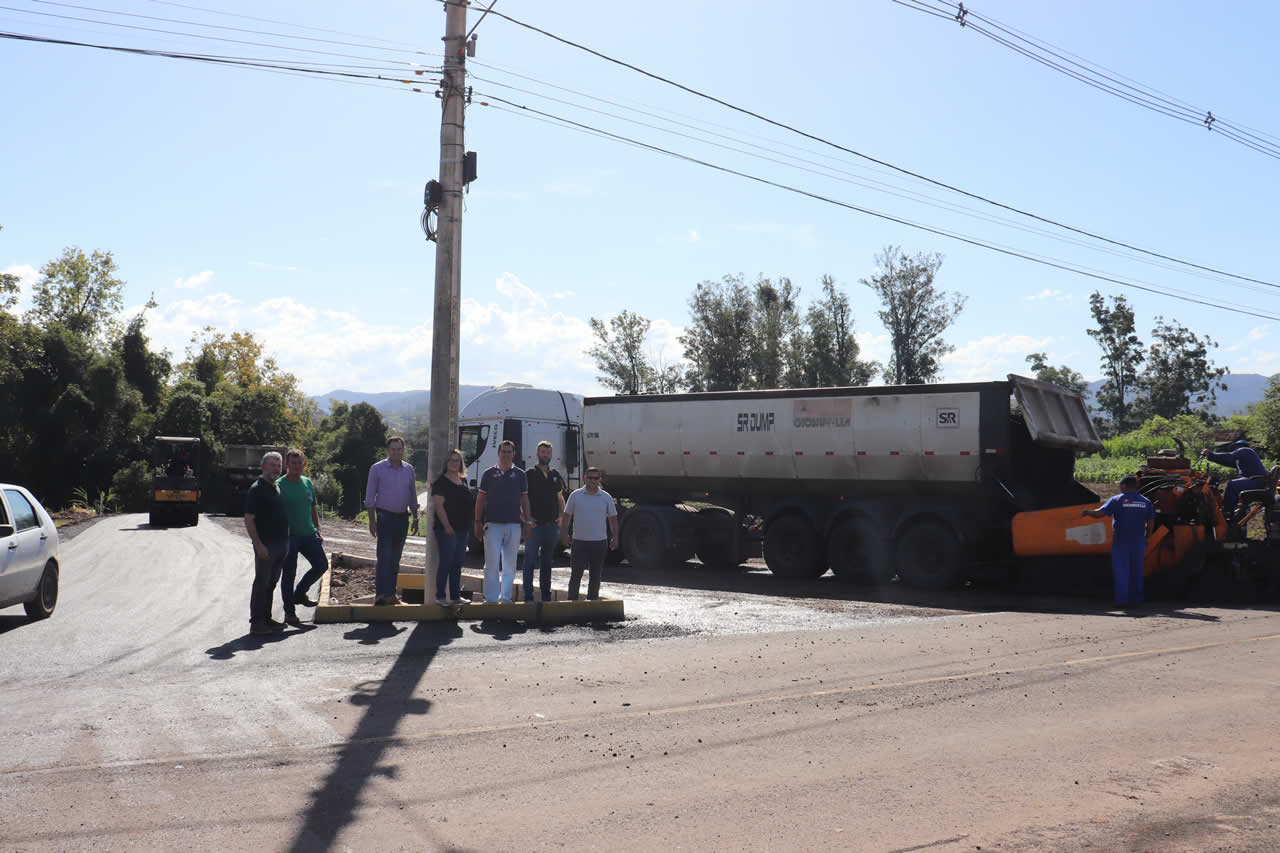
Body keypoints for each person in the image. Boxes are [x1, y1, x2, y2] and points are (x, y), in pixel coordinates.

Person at [1082, 474, 1155, 609]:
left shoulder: (1117, 500)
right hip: (1139, 542)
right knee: (1137, 571)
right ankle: (1137, 600)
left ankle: (1122, 601)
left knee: (1122, 571)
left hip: (1122, 541)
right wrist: (1147, 537)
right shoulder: (1145, 501)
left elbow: (1100, 514)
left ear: (1123, 486)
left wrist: (1087, 512)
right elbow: (1151, 522)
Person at [473, 440, 530, 604]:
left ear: (514, 454)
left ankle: (505, 598)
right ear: (498, 453)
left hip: (513, 525)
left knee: (510, 565)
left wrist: (528, 522)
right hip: (492, 525)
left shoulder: (520, 474)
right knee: (491, 564)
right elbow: (480, 499)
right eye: (503, 451)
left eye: (509, 451)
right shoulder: (488, 473)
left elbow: (525, 500)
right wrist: (477, 521)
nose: (506, 454)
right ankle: (490, 599)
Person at [365, 436, 420, 607]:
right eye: (393, 449)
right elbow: (370, 496)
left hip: (402, 518)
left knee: (395, 559)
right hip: (385, 518)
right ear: (388, 450)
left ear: (403, 450)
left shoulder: (408, 469)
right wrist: (372, 521)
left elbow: (412, 494)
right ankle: (381, 595)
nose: (396, 452)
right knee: (384, 557)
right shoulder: (377, 469)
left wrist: (416, 517)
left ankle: (391, 594)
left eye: (399, 449)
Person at [278, 448, 328, 626]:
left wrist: (317, 528)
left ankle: (300, 593)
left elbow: (312, 506)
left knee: (322, 565)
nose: (297, 466)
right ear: (287, 465)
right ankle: (289, 613)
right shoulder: (279, 484)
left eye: (300, 463)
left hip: (308, 533)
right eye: (293, 463)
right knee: (289, 574)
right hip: (289, 536)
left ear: (304, 464)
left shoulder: (307, 482)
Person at [244, 451, 290, 635]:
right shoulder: (257, 489)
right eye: (272, 465)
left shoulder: (276, 487)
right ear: (262, 466)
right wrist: (258, 544)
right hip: (266, 546)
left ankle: (266, 618)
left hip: (281, 545)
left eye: (278, 466)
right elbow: (249, 519)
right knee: (261, 583)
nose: (276, 469)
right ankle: (256, 623)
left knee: (271, 583)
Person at [559, 467, 619, 601]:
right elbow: (566, 516)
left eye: (596, 478)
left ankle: (592, 602)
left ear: (600, 480)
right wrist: (564, 534)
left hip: (599, 542)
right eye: (590, 478)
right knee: (576, 574)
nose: (593, 480)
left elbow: (613, 518)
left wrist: (615, 537)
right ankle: (572, 602)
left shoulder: (606, 497)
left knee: (596, 575)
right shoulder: (575, 495)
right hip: (579, 542)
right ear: (584, 478)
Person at [523, 440, 566, 602]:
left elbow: (560, 497)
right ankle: (528, 597)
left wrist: (562, 516)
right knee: (529, 564)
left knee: (547, 564)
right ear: (537, 454)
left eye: (548, 452)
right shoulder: (529, 474)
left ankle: (546, 597)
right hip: (534, 528)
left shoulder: (555, 475)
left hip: (551, 527)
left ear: (551, 455)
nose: (545, 455)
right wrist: (526, 519)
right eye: (542, 452)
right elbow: (522, 499)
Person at [431, 448, 473, 606]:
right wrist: (447, 526)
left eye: (457, 460)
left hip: (463, 529)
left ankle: (455, 596)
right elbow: (439, 507)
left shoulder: (463, 481)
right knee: (446, 562)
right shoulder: (441, 482)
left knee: (457, 563)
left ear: (461, 463)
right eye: (451, 460)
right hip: (446, 530)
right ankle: (440, 597)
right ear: (446, 463)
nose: (454, 463)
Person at [1201, 439, 1267, 518]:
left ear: (1238, 447)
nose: (1234, 450)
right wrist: (1211, 456)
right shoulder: (1243, 459)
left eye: (1235, 448)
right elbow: (1226, 461)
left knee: (1232, 484)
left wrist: (1210, 453)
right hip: (1255, 481)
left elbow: (1229, 456)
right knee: (1233, 485)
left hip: (1257, 481)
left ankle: (1227, 511)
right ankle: (1233, 510)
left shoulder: (1245, 450)